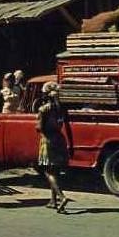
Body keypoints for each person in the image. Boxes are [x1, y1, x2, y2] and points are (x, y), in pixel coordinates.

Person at [36, 81, 74, 214]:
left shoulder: (43, 109)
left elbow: (39, 128)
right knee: (55, 171)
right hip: (60, 139)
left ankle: (61, 197)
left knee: (48, 171)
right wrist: (71, 145)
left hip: (48, 140)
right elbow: (68, 127)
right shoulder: (61, 108)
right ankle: (53, 201)